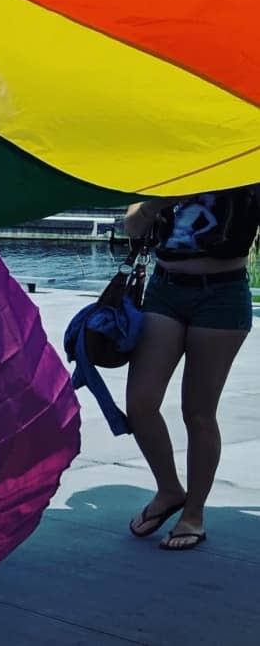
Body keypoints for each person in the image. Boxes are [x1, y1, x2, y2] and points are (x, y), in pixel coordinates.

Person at [124, 185, 259, 550]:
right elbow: (132, 227)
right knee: (140, 403)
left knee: (198, 412)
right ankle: (169, 489)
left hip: (222, 294)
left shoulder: (246, 170)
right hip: (164, 290)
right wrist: (158, 202)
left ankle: (193, 514)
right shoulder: (172, 166)